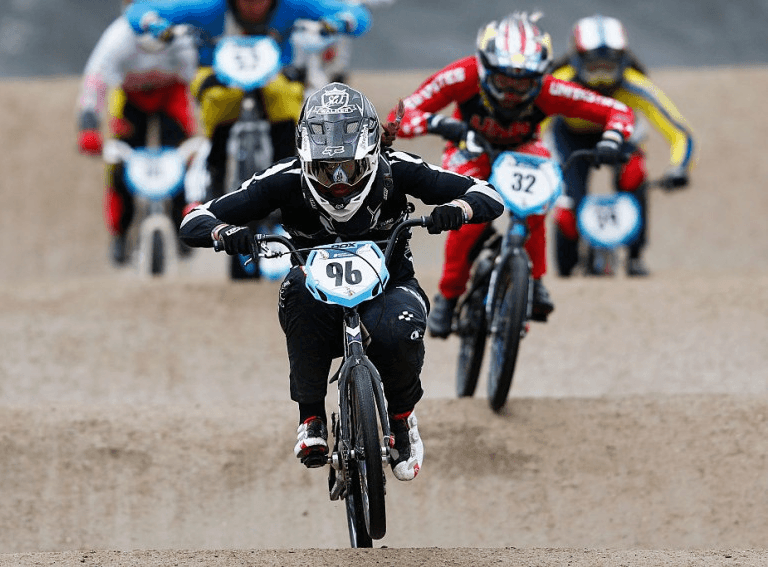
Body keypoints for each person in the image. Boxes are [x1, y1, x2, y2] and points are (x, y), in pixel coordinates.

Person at [179, 83, 505, 480]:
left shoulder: (397, 167)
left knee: (399, 329)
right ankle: (311, 417)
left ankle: (402, 419)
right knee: (294, 289)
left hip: (391, 286)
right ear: (304, 159)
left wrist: (457, 209)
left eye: (348, 168)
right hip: (316, 293)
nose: (337, 182)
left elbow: (486, 192)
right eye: (323, 169)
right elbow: (195, 218)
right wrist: (225, 233)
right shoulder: (283, 177)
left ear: (368, 157)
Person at [389, 12, 635, 337]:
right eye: (504, 81)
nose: (512, 93)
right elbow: (400, 115)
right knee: (467, 221)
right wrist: (440, 123)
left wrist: (612, 138)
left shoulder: (551, 89)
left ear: (540, 76)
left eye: (523, 83)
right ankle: (448, 295)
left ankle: (534, 281)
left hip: (523, 149)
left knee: (538, 204)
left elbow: (617, 111)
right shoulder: (462, 75)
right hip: (470, 149)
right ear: (484, 68)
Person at [124, 0, 372, 201]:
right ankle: (216, 167)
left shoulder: (293, 5)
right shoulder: (208, 7)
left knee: (285, 95)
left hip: (275, 75)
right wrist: (153, 23)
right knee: (218, 97)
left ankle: (287, 167)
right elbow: (139, 10)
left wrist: (340, 22)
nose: (253, 5)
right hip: (217, 74)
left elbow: (357, 14)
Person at [547, 14, 696, 277]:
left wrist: (679, 168)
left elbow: (678, 132)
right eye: (595, 67)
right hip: (570, 137)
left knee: (634, 173)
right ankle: (567, 268)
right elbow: (531, 125)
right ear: (577, 59)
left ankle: (635, 255)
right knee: (568, 209)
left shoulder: (636, 86)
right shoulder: (558, 83)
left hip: (620, 136)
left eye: (609, 66)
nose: (602, 78)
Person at [76, 7, 200, 265]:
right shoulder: (118, 38)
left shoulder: (180, 36)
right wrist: (88, 125)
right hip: (131, 98)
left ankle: (183, 222)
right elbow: (95, 81)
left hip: (171, 96)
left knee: (182, 157)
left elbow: (198, 78)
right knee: (119, 163)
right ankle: (120, 232)